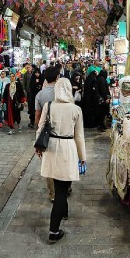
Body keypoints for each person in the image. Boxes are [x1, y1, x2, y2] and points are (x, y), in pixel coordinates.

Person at [35, 78, 86, 244]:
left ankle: (63, 212)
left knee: (58, 186)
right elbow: (79, 136)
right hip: (68, 148)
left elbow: (41, 127)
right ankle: (54, 231)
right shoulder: (76, 109)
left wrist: (38, 146)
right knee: (62, 190)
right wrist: (82, 157)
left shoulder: (49, 106)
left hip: (51, 148)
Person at [35, 66, 59, 201]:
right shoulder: (62, 93)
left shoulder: (40, 94)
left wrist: (38, 135)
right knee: (61, 162)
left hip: (45, 133)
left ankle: (53, 194)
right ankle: (64, 187)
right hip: (61, 133)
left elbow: (37, 116)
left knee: (49, 164)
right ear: (57, 78)